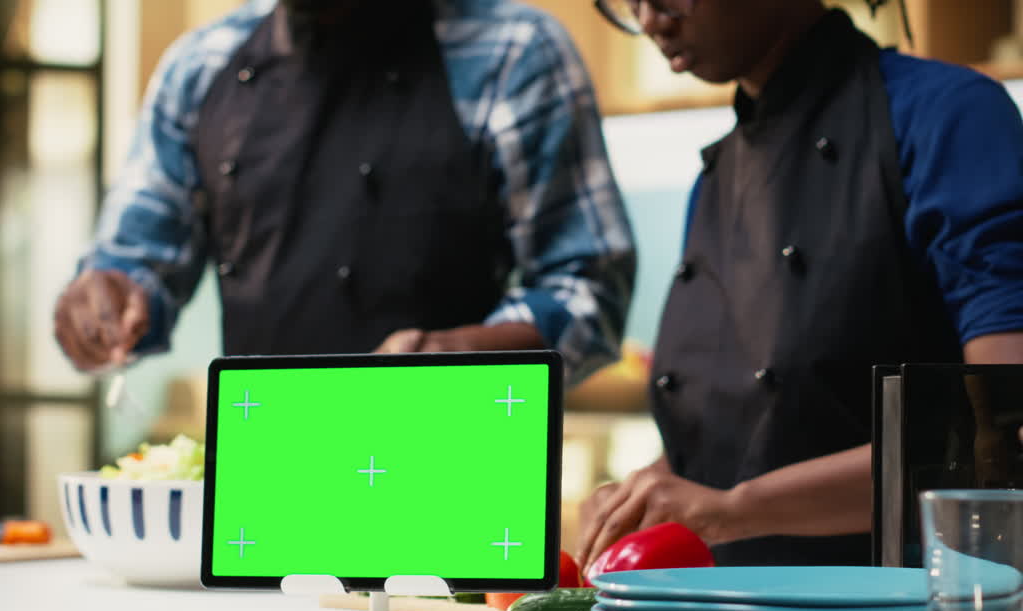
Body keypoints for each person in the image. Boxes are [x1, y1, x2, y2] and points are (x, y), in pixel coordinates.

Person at [576, 0, 1023, 572]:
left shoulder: (947, 115)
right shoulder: (713, 179)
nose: (651, 21)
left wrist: (735, 509)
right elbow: (757, 429)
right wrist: (651, 488)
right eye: (627, 3)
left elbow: (1001, 416)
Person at [53, 0, 635, 387]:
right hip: (265, 481)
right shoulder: (197, 67)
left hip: (453, 478)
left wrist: (455, 355)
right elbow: (134, 268)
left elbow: (587, 289)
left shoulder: (513, 53)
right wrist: (101, 305)